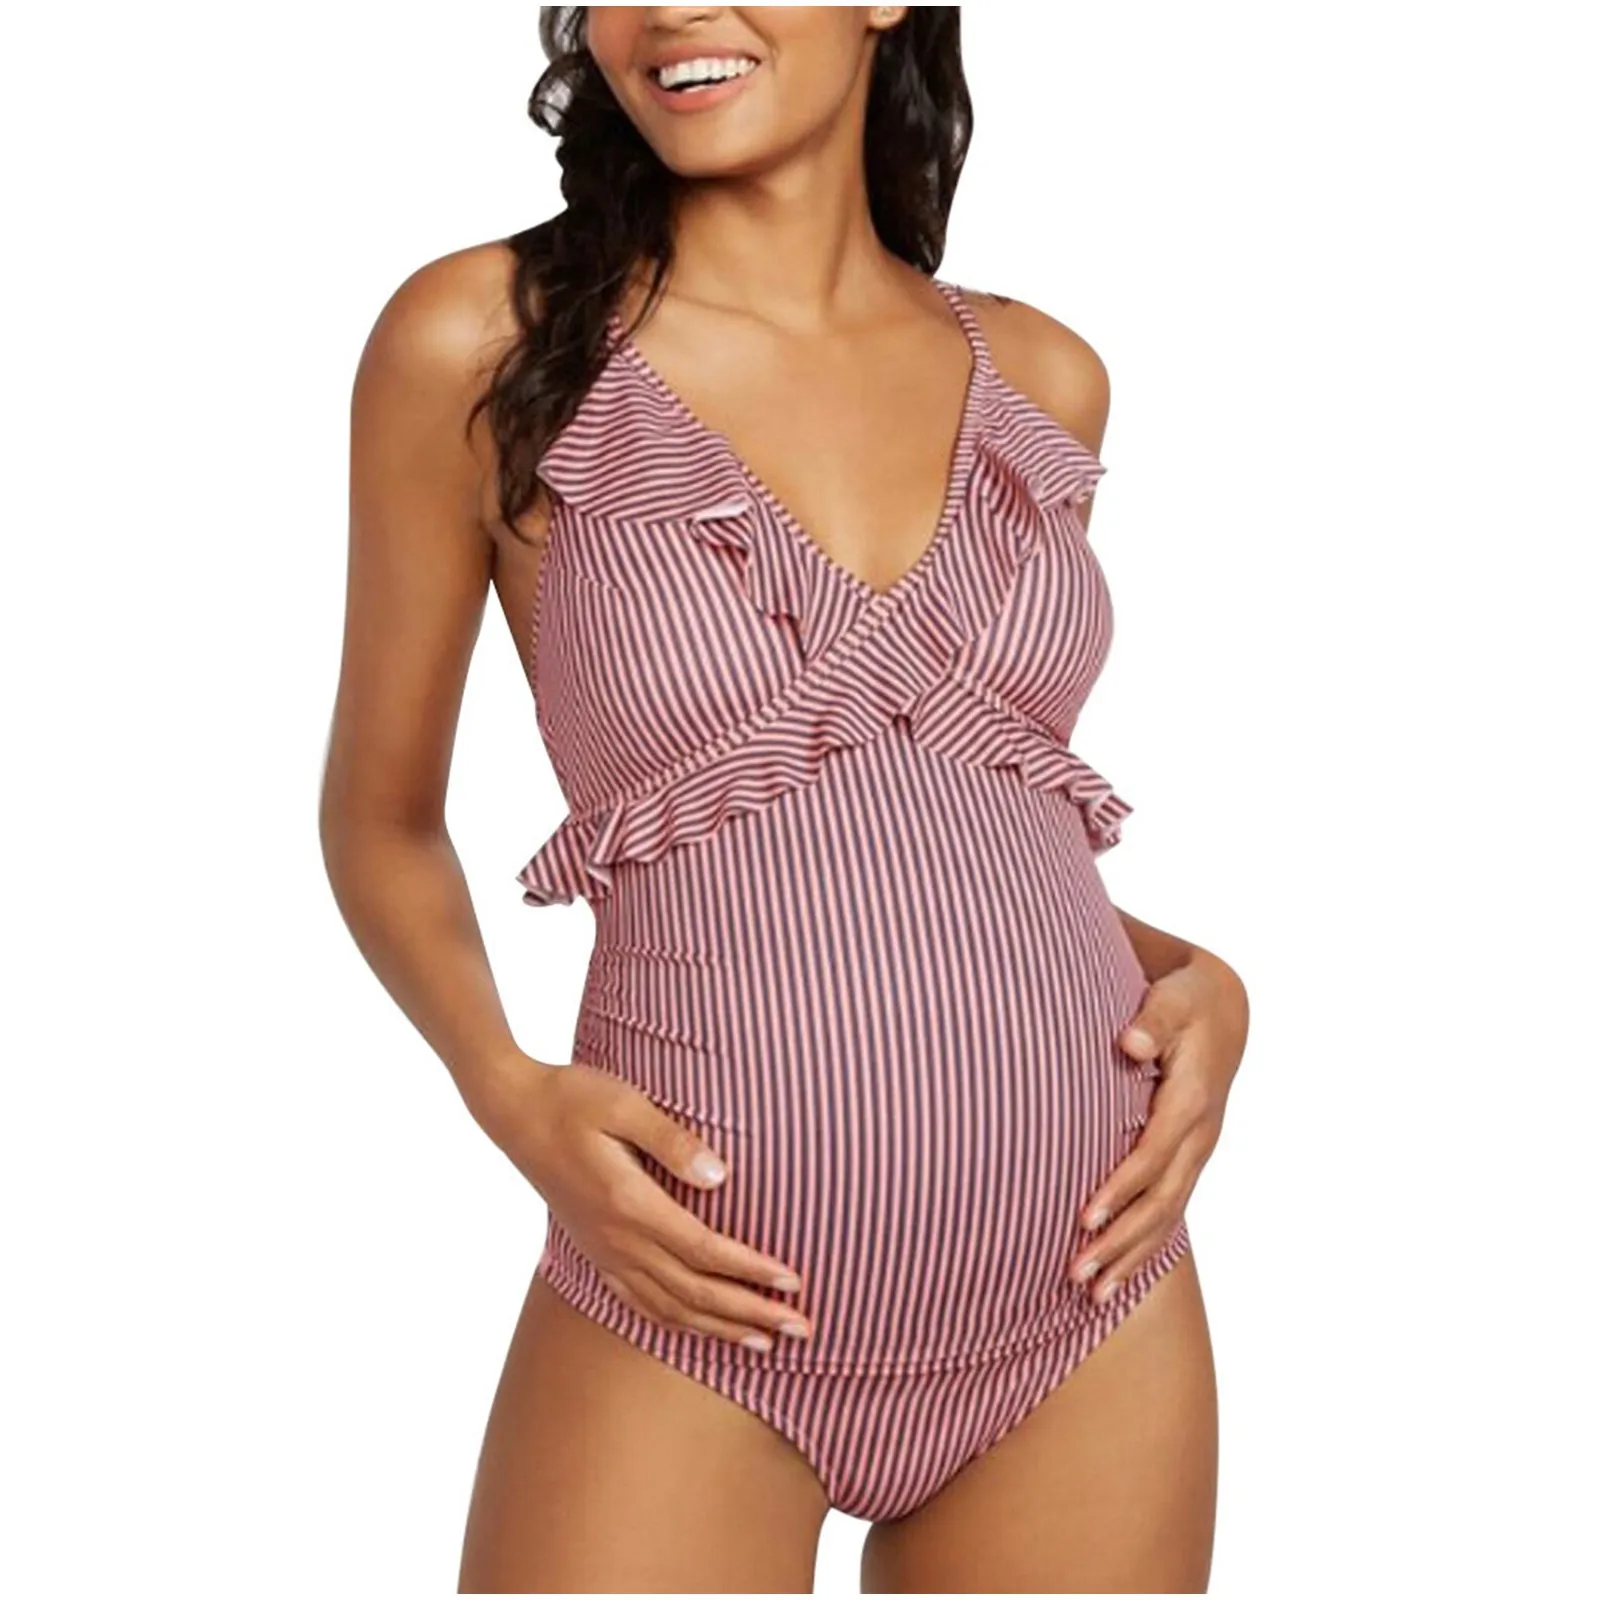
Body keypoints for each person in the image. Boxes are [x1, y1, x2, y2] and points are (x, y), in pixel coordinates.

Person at [321, 6, 1250, 1592]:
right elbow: (381, 818)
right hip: (689, 1299)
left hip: (1090, 1303)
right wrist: (508, 1092)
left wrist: (1196, 976)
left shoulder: (1041, 375)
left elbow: (950, 822)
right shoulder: (486, 343)